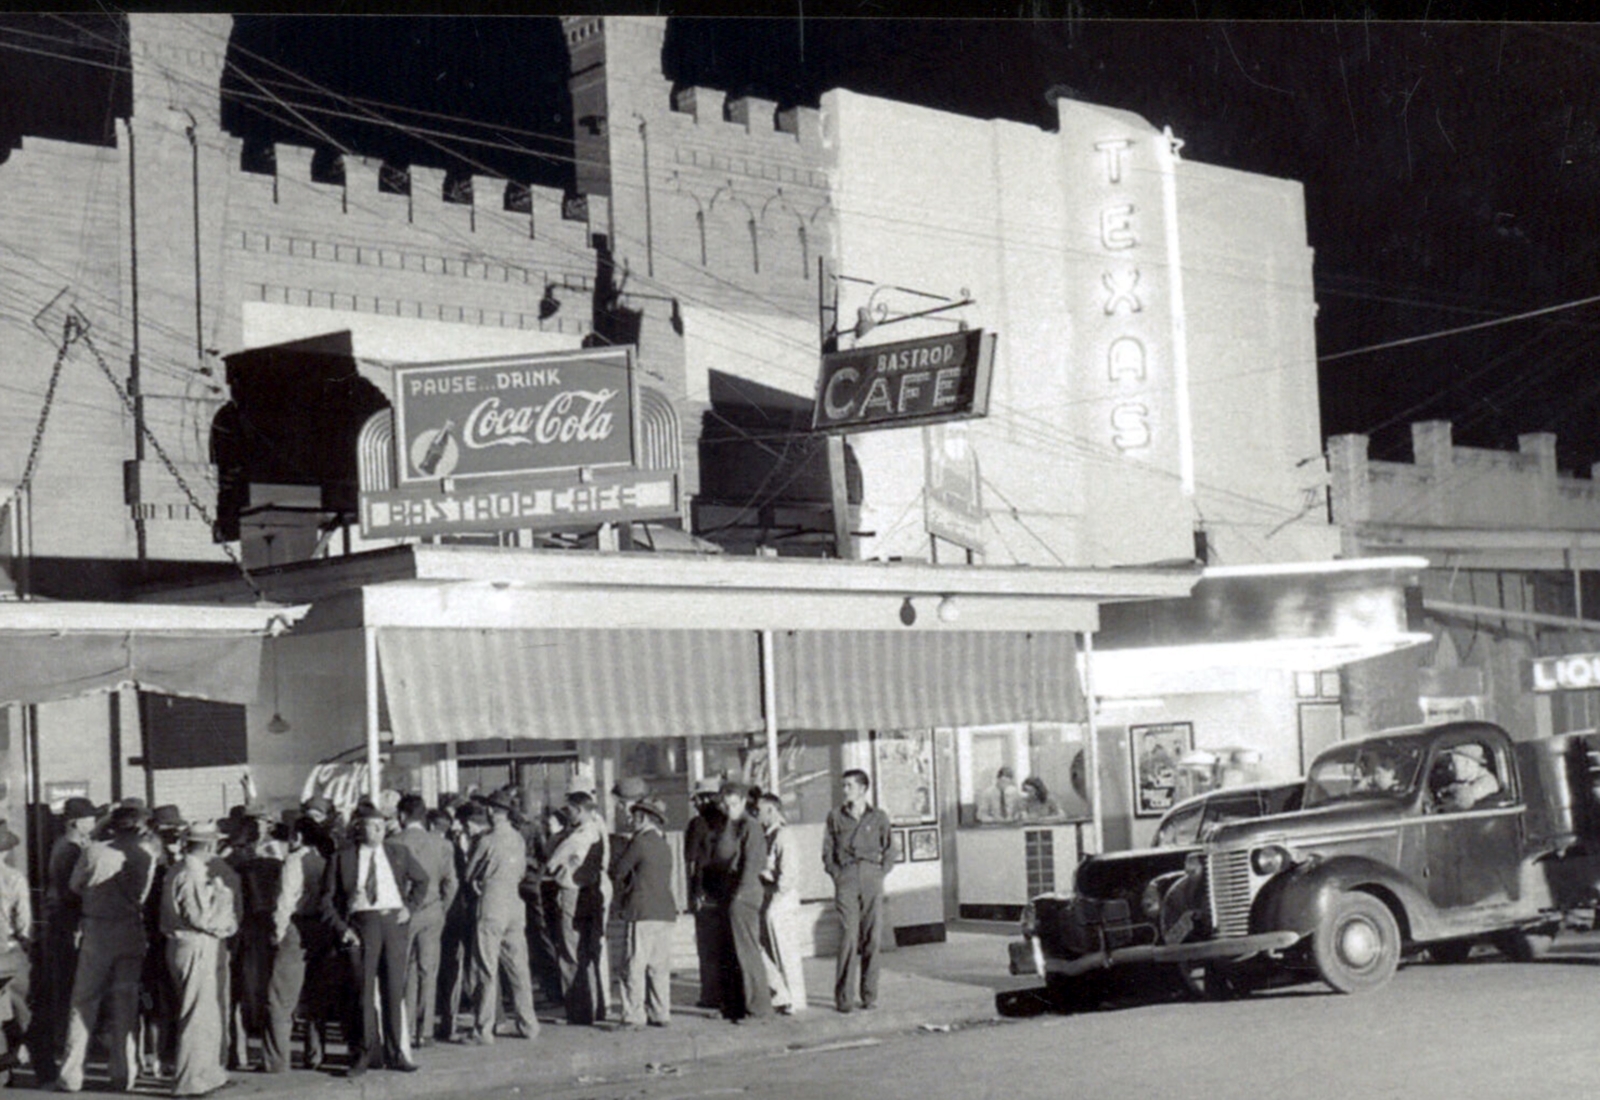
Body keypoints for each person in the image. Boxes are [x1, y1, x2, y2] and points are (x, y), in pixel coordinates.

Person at [319, 803, 429, 1077]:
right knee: (362, 993)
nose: (379, 831)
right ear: (359, 828)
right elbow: (326, 900)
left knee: (394, 990)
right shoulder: (342, 859)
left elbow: (422, 880)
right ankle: (364, 1054)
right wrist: (342, 928)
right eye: (373, 826)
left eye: (382, 826)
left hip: (393, 924)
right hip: (362, 926)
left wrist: (409, 908)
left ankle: (396, 1054)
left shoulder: (398, 853)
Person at [57, 803, 156, 1093]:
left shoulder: (94, 852)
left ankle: (71, 1074)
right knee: (125, 1003)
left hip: (97, 929)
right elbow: (144, 894)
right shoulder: (145, 854)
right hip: (130, 928)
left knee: (84, 1001)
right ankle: (123, 1074)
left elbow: (75, 886)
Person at [162, 823, 238, 1098]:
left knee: (205, 1013)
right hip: (196, 943)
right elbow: (199, 918)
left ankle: (209, 1074)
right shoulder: (192, 874)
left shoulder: (179, 869)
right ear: (209, 845)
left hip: (188, 943)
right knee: (196, 1014)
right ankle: (189, 1081)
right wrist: (225, 910)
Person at [462, 789, 538, 1045]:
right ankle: (529, 1024)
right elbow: (521, 872)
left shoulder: (487, 841)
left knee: (486, 967)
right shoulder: (518, 838)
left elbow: (469, 873)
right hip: (514, 904)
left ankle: (483, 1029)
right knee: (519, 968)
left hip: (492, 903)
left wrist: (479, 880)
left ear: (491, 811)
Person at [33, 796, 100, 1084]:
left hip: (60, 923)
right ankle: (64, 1044)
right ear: (76, 821)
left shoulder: (63, 845)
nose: (93, 822)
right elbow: (73, 891)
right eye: (89, 818)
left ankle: (62, 1041)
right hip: (67, 925)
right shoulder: (71, 850)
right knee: (70, 985)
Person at [822, 769, 896, 1014]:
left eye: (849, 786)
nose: (845, 790)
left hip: (871, 877)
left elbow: (890, 849)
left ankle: (869, 995)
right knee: (848, 937)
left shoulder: (879, 817)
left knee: (872, 938)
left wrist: (880, 872)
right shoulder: (835, 816)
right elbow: (827, 851)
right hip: (847, 877)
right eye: (843, 786)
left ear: (863, 789)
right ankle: (844, 998)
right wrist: (837, 874)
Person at [263, 815, 329, 1073]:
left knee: (280, 998)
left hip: (296, 927)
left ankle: (277, 1060)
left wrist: (277, 932)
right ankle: (316, 1054)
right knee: (315, 996)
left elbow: (285, 900)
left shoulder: (294, 861)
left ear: (298, 837)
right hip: (320, 928)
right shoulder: (323, 859)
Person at [395, 794, 457, 1048]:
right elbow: (451, 883)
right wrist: (442, 908)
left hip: (403, 912)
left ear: (402, 816)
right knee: (428, 969)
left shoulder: (392, 842)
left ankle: (406, 1027)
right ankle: (426, 1030)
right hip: (433, 911)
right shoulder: (442, 844)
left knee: (404, 970)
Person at [544, 783, 608, 1025]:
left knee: (571, 953)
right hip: (591, 892)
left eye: (569, 810)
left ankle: (579, 1010)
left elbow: (552, 863)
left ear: (579, 810)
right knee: (589, 952)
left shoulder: (578, 836)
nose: (567, 815)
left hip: (572, 892)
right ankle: (596, 1007)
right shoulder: (596, 831)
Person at [609, 796, 675, 1029]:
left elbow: (619, 871)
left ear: (644, 818)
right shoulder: (664, 844)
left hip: (641, 910)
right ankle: (660, 1012)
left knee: (634, 965)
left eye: (634, 817)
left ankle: (634, 1015)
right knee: (659, 966)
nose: (631, 820)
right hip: (665, 911)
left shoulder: (639, 843)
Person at [716, 780, 772, 1024]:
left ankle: (759, 1008)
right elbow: (723, 854)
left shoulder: (751, 827)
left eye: (734, 804)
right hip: (736, 892)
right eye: (726, 805)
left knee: (748, 953)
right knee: (736, 953)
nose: (730, 809)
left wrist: (740, 894)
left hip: (745, 894)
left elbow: (751, 864)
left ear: (743, 802)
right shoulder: (734, 826)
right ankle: (739, 1006)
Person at [756, 793, 806, 1015]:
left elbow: (788, 874)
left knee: (787, 952)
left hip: (782, 900)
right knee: (771, 950)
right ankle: (782, 995)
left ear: (771, 810)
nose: (757, 815)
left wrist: (776, 894)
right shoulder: (767, 835)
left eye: (760, 810)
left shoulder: (784, 836)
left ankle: (795, 999)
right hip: (770, 898)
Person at [683, 777, 726, 1011]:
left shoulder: (697, 824)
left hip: (705, 892)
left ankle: (710, 995)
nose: (696, 803)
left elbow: (690, 862)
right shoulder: (729, 821)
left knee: (707, 946)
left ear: (705, 798)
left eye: (698, 799)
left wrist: (692, 893)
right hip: (726, 891)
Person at [0, 820, 32, 1080]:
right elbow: (24, 923)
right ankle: (16, 1054)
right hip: (8, 951)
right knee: (21, 1008)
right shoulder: (13, 878)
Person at [1434, 744, 1502, 811]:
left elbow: (1465, 798)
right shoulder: (1466, 779)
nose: (1449, 768)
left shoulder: (1488, 782)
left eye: (1453, 765)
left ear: (1467, 763)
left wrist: (1449, 789)